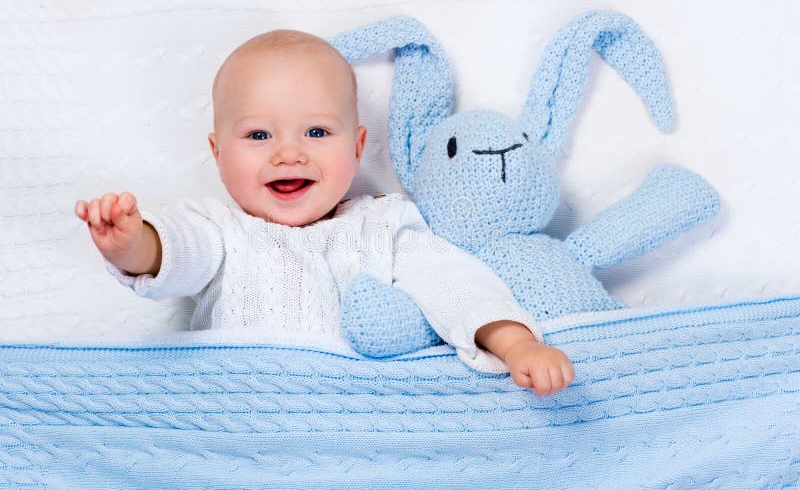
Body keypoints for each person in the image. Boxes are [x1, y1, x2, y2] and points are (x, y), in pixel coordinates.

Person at [74, 28, 575, 397]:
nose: (289, 153)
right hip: (239, 413)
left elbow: (454, 284)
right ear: (217, 151)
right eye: (258, 135)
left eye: (316, 132)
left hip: (356, 416)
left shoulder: (382, 226)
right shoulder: (220, 228)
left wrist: (517, 346)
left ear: (357, 148)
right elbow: (178, 252)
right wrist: (133, 242)